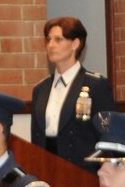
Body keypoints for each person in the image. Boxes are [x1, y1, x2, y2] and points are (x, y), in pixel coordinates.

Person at [30, 17, 116, 166]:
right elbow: (37, 138)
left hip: (82, 171)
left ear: (75, 44)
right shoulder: (40, 89)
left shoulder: (95, 85)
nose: (51, 45)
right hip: (46, 168)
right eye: (48, 39)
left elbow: (108, 136)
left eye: (58, 40)